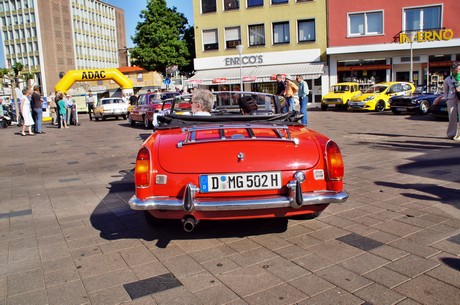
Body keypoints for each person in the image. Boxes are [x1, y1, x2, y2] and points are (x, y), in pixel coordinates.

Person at [444, 62, 460, 140]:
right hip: (451, 99)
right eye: (458, 69)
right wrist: (447, 99)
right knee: (452, 117)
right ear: (453, 69)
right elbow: (445, 91)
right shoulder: (447, 79)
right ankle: (451, 133)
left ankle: (459, 135)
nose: (459, 70)